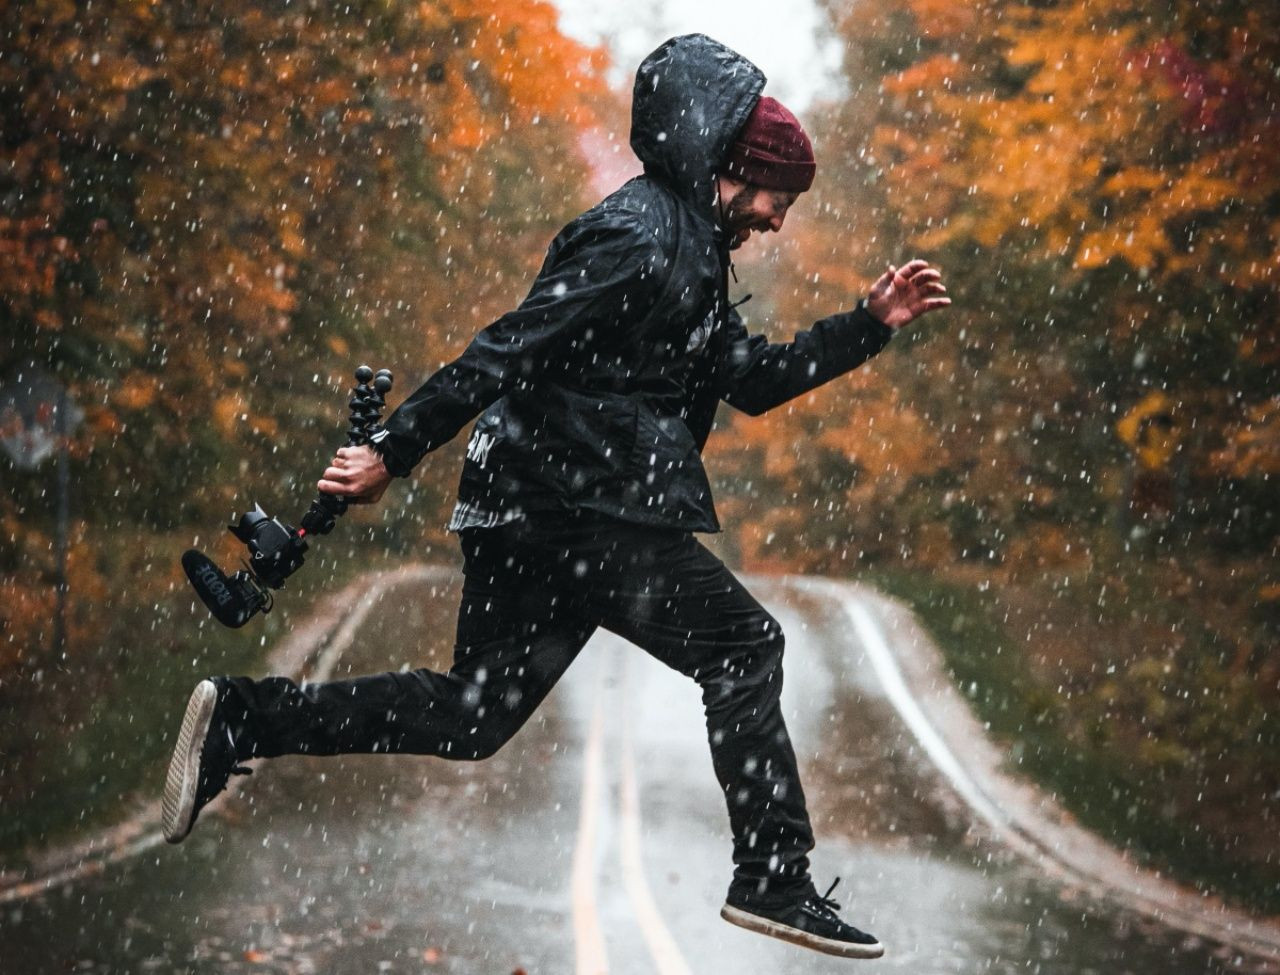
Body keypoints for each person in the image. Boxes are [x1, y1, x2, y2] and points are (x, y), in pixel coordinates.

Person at [162, 33, 948, 960]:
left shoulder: (693, 255)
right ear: (733, 169)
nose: (778, 218)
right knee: (746, 646)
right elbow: (509, 345)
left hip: (543, 507)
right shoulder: (638, 235)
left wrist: (868, 324)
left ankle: (244, 717)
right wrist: (392, 451)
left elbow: (756, 380)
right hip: (583, 505)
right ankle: (772, 876)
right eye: (779, 196)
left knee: (471, 715)